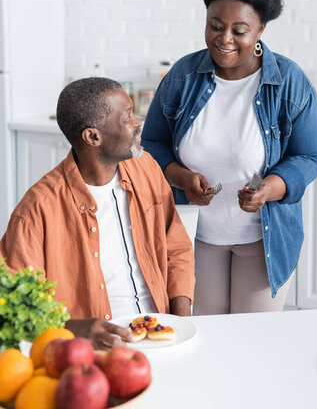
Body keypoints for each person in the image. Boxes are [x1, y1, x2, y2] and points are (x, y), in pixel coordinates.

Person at [142, 0, 317, 315]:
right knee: (202, 337)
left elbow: (310, 156)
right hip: (196, 235)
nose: (224, 38)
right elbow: (152, 142)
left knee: (253, 342)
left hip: (264, 239)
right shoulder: (182, 76)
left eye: (239, 30)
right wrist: (182, 178)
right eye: (215, 25)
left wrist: (268, 189)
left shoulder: (289, 82)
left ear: (260, 29)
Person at [0, 78, 195, 348]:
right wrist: (73, 329)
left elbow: (176, 248)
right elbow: (13, 306)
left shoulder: (146, 168)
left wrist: (182, 319)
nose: (138, 122)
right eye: (127, 116)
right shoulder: (36, 209)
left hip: (163, 333)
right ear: (93, 136)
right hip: (94, 352)